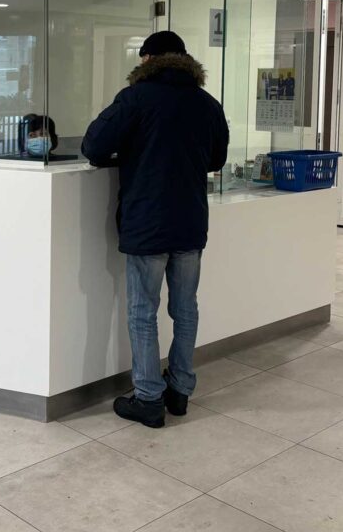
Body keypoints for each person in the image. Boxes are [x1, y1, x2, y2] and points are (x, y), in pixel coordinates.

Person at [82, 30, 229, 428]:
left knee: (142, 312)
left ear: (147, 59)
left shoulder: (135, 97)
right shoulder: (207, 103)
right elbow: (217, 158)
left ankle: (148, 397)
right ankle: (179, 390)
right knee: (185, 309)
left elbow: (94, 146)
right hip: (191, 220)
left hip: (147, 220)